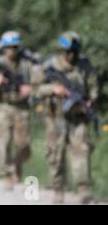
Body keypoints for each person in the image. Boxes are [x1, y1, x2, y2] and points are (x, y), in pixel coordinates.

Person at [32, 31, 98, 204]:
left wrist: (91, 100)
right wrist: (53, 89)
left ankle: (84, 191)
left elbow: (93, 87)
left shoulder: (84, 66)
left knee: (82, 152)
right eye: (67, 51)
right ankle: (58, 191)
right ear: (61, 50)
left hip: (78, 118)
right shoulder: (48, 66)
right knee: (55, 155)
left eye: (74, 52)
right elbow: (34, 89)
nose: (71, 55)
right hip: (55, 118)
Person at [0, 31, 37, 189]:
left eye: (14, 47)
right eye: (7, 48)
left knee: (24, 145)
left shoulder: (27, 63)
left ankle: (15, 165)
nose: (11, 51)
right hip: (3, 106)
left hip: (22, 107)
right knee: (3, 142)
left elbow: (40, 82)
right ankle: (7, 174)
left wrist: (31, 88)